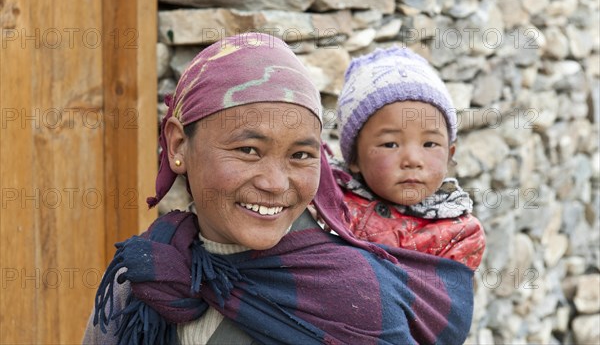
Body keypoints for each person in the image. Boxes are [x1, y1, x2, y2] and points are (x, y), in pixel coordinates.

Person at [83, 33, 475, 345]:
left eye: (300, 156)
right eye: (248, 150)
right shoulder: (147, 274)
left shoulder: (354, 299)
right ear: (179, 145)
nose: (274, 183)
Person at [333, 46, 485, 270]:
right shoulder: (330, 202)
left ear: (449, 155)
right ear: (354, 158)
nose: (413, 160)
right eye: (390, 144)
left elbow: (442, 302)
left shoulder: (461, 233)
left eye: (430, 144)